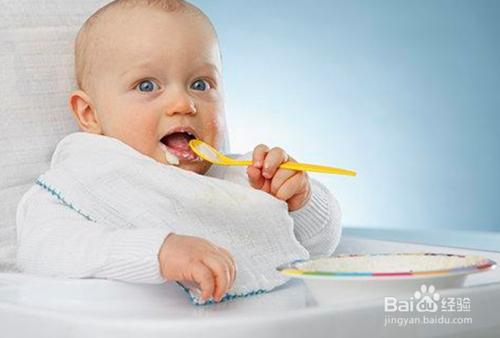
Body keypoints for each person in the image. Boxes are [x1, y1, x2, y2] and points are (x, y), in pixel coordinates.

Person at [16, 0, 341, 303]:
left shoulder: (243, 177)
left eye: (201, 84)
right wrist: (157, 253)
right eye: (147, 86)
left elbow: (316, 249)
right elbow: (43, 248)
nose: (183, 104)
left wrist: (300, 202)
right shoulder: (85, 180)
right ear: (90, 114)